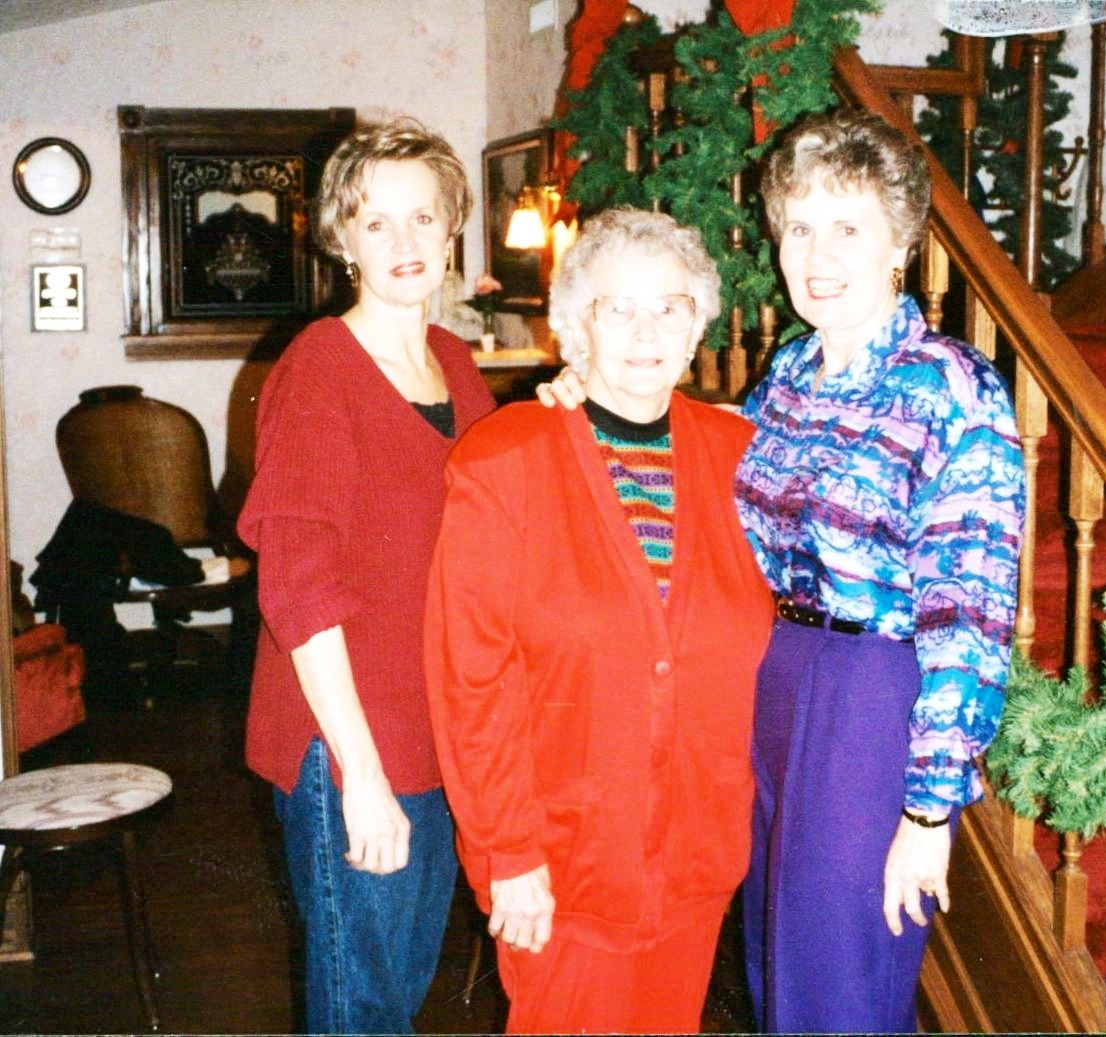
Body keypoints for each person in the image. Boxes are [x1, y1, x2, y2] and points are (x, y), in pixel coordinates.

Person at [539, 108, 1024, 1032]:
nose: (818, 254)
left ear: (900, 244)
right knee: (774, 972)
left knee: (838, 988)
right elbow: (697, 469)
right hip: (768, 684)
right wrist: (586, 389)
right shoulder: (791, 374)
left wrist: (929, 813)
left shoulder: (952, 387)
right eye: (799, 227)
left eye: (847, 228)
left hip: (872, 697)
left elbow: (970, 616)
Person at [424, 208, 773, 1034]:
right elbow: (471, 681)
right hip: (564, 868)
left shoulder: (742, 455)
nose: (645, 331)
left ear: (698, 323)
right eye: (617, 307)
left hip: (695, 859)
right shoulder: (505, 458)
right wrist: (508, 854)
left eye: (670, 306)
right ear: (576, 324)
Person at [237, 116, 495, 1034]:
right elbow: (298, 594)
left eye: (422, 216)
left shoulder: (456, 363)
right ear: (342, 239)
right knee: (363, 1008)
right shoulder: (319, 370)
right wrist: (361, 774)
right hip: (348, 737)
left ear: (452, 227)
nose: (403, 241)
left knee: (397, 993)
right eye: (375, 222)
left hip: (435, 726)